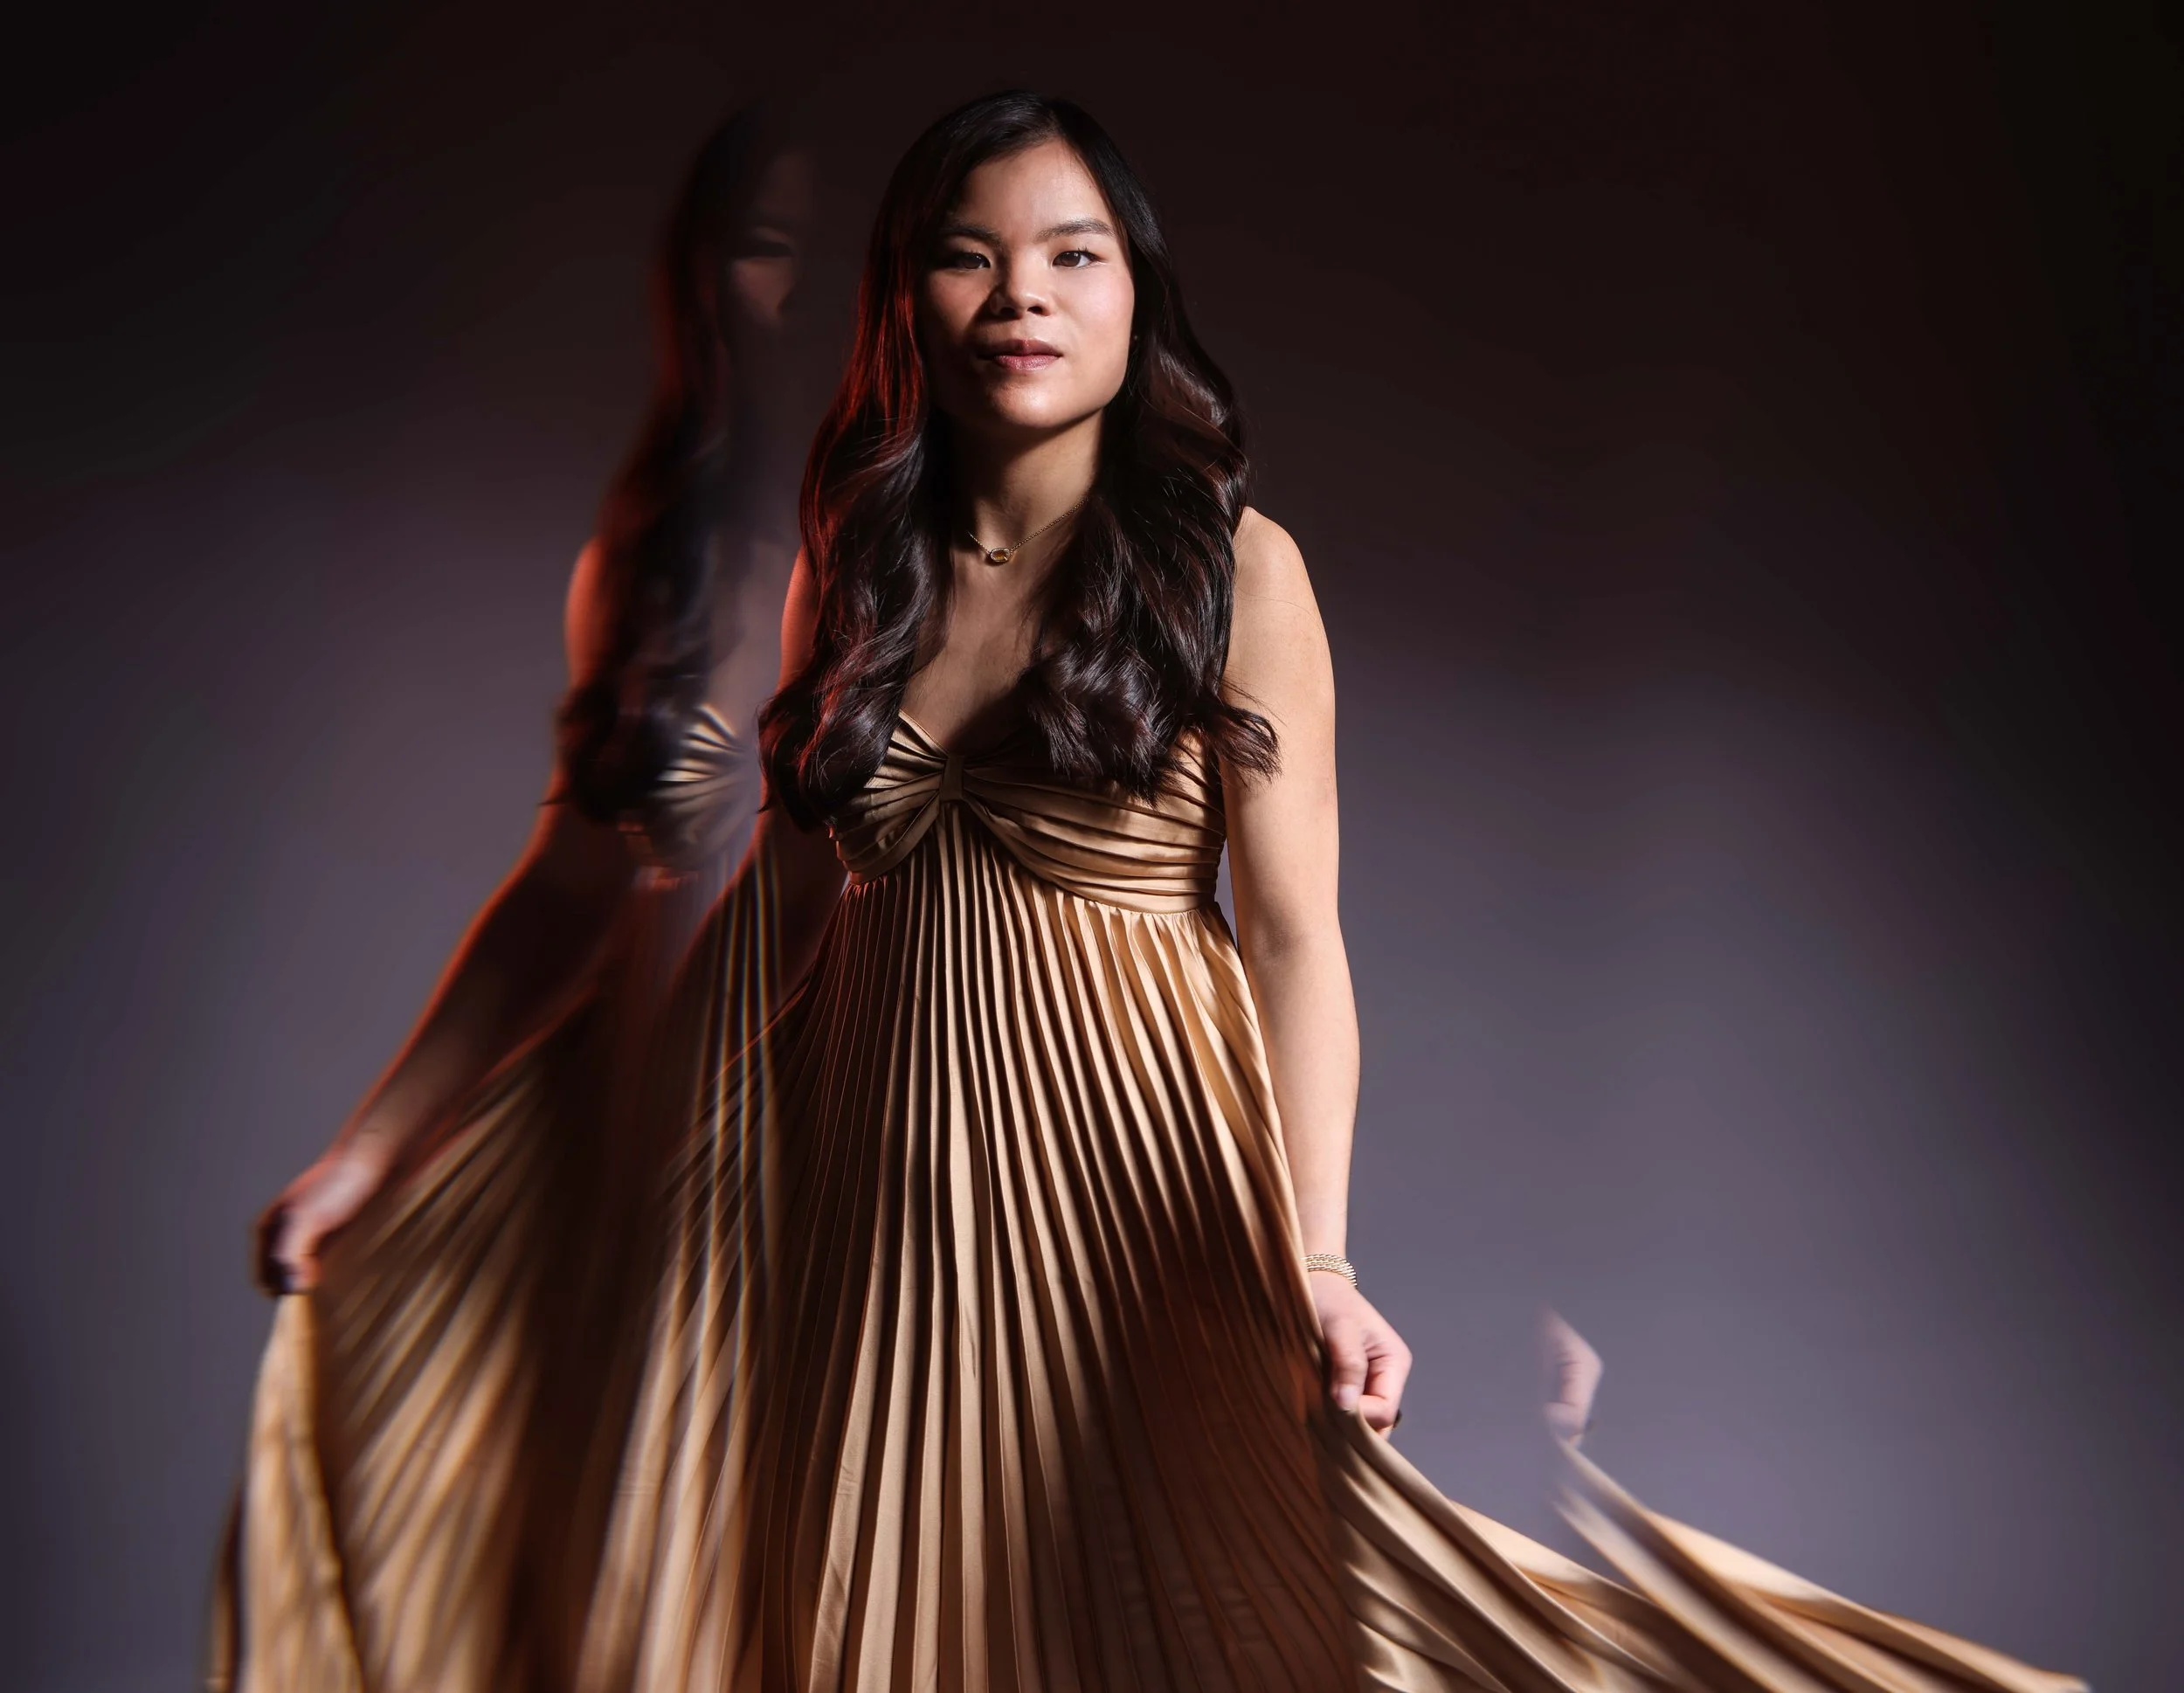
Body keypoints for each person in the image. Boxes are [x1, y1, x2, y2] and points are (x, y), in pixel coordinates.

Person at [225, 90, 2091, 1693]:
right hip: (860, 1235)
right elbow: (770, 942)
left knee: (1169, 1625)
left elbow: (1294, 939)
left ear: (1135, 295)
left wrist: (1318, 1260)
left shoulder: (1228, 568)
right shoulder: (846, 569)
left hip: (1126, 1218)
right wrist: (405, 1156)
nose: (1018, 293)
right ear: (906, 298)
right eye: (965, 254)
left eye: (1071, 254)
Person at [213, 104, 819, 1693]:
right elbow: (571, 879)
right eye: (758, 250)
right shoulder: (655, 556)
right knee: (620, 1618)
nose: (785, 302)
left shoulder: (949, 558)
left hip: (856, 1159)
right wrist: (368, 1152)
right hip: (646, 1155)